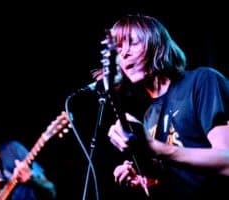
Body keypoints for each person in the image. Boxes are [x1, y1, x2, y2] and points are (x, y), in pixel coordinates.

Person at [96, 14, 229, 199]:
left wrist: (156, 148)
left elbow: (227, 160)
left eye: (133, 43)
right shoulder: (149, 116)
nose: (124, 54)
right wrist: (145, 180)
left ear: (157, 45)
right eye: (118, 49)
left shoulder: (202, 81)